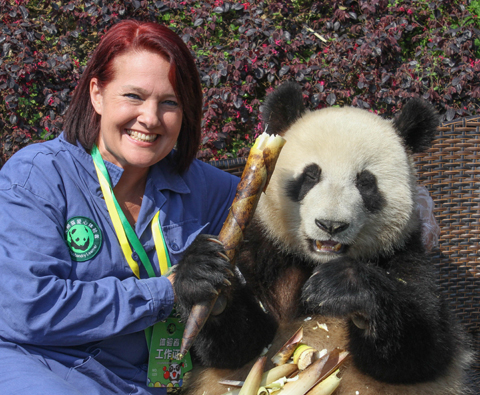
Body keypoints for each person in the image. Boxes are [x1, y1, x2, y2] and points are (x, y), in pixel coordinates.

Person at [0, 20, 239, 394]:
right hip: (48, 368)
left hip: (159, 382)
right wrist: (167, 292)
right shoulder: (36, 178)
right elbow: (28, 309)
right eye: (134, 96)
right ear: (97, 93)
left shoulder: (207, 186)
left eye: (170, 103)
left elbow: (283, 220)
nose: (150, 117)